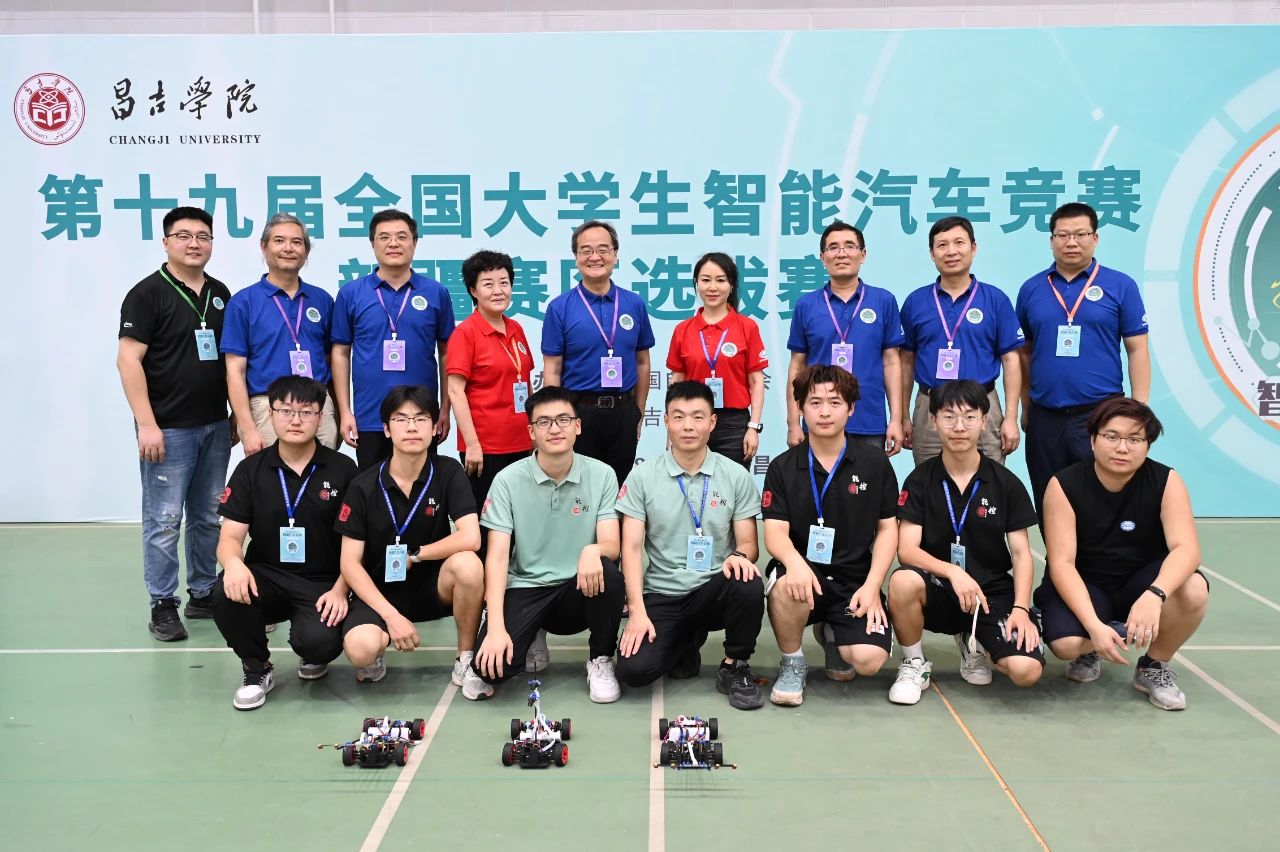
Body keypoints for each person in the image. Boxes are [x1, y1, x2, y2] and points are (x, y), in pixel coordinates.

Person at [1037, 398, 1208, 710]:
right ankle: (1095, 644)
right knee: (1065, 645)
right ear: (1093, 440)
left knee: (1194, 588)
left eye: (1134, 439)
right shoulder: (1064, 485)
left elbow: (1187, 549)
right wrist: (1093, 625)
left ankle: (1153, 665)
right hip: (1087, 583)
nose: (1122, 448)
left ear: (1147, 445)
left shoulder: (1166, 481)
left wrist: (1155, 595)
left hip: (1139, 582)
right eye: (1112, 437)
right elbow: (1062, 563)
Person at [886, 380, 1043, 706]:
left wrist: (1021, 609)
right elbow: (907, 550)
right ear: (933, 421)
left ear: (984, 421)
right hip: (938, 588)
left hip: (989, 593)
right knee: (902, 581)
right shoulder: (920, 480)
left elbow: (1021, 554)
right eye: (949, 417)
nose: (959, 427)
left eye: (969, 417)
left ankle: (976, 639)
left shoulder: (1006, 483)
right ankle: (914, 662)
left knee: (1026, 671)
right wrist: (953, 572)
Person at [117, 205, 234, 642]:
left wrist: (234, 416)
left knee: (208, 515)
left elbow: (230, 362)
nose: (194, 244)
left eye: (203, 236)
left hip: (214, 426)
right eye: (183, 236)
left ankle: (202, 593)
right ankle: (162, 604)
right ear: (166, 242)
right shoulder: (147, 294)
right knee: (164, 519)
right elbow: (128, 360)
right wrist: (146, 423)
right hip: (166, 428)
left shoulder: (220, 293)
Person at [615, 381, 766, 710]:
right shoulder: (643, 477)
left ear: (712, 422)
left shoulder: (735, 475)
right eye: (679, 416)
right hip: (663, 592)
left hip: (712, 589)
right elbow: (631, 549)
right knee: (634, 672)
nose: (688, 426)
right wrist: (636, 612)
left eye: (698, 417)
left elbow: (748, 544)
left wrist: (739, 557)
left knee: (748, 581)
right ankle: (684, 641)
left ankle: (735, 665)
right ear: (665, 421)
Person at [210, 376, 357, 710]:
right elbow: (229, 537)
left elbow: (357, 542)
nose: (295, 420)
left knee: (318, 644)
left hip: (323, 581)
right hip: (267, 576)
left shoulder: (343, 469)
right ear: (271, 414)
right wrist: (233, 564)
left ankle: (313, 651)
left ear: (320, 417)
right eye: (286, 411)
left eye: (306, 412)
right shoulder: (250, 470)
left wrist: (341, 588)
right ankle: (256, 668)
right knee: (224, 591)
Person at [334, 385, 489, 698]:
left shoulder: (448, 471)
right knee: (361, 650)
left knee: (469, 565)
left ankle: (465, 657)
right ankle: (379, 643)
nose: (412, 427)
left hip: (432, 585)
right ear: (386, 429)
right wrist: (391, 616)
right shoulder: (363, 485)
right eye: (401, 419)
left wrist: (417, 555)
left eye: (420, 419)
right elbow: (349, 563)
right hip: (379, 590)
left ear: (435, 427)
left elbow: (471, 537)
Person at [471, 387, 624, 703]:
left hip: (578, 589)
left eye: (563, 419)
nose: (555, 429)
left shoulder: (603, 475)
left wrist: (592, 550)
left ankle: (600, 659)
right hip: (527, 587)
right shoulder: (507, 480)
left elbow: (611, 543)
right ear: (531, 432)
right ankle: (532, 632)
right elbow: (497, 558)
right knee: (492, 671)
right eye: (544, 422)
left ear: (577, 426)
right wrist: (496, 627)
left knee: (609, 573)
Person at [763, 365, 899, 706]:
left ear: (850, 408)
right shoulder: (782, 466)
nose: (824, 411)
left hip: (854, 578)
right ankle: (793, 662)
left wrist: (873, 585)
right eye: (815, 402)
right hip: (804, 575)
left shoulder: (874, 463)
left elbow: (887, 529)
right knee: (785, 587)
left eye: (835, 402)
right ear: (800, 408)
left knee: (868, 661)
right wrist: (794, 563)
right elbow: (775, 533)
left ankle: (833, 633)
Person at [1016, 201, 1150, 515]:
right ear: (1051, 240)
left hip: (1099, 413)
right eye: (1063, 235)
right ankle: (1056, 550)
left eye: (1080, 234)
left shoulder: (1120, 285)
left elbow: (1137, 349)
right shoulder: (1032, 289)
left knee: (1103, 499)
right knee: (1048, 498)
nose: (1071, 242)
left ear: (1095, 238)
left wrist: (1139, 408)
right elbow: (1024, 353)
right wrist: (1026, 407)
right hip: (1045, 416)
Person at [332, 210, 455, 469]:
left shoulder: (436, 292)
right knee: (372, 487)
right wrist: (345, 411)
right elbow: (341, 353)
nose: (393, 243)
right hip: (370, 416)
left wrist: (445, 409)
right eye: (384, 237)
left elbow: (447, 352)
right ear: (372, 243)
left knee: (422, 487)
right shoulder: (351, 293)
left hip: (421, 416)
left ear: (415, 242)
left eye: (401, 236)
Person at [898, 216, 1022, 465]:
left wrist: (1010, 418)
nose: (951, 251)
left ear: (973, 248)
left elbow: (1011, 360)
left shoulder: (995, 300)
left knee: (989, 479)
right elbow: (905, 363)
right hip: (930, 406)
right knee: (929, 479)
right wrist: (903, 416)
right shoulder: (915, 302)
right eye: (942, 245)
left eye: (959, 242)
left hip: (983, 406)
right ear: (932, 254)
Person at [541, 220, 655, 486]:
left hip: (623, 411)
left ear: (615, 254)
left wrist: (637, 413)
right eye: (586, 250)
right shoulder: (560, 307)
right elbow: (552, 369)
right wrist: (557, 420)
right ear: (576, 257)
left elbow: (642, 363)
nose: (595, 257)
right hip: (579, 413)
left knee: (619, 489)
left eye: (603, 249)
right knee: (579, 490)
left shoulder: (634, 304)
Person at [222, 213, 338, 454]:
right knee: (270, 477)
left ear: (306, 251)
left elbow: (331, 361)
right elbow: (234, 370)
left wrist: (335, 413)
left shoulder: (322, 300)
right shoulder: (243, 302)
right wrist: (247, 427)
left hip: (318, 407)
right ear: (264, 247)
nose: (288, 248)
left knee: (324, 476)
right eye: (279, 241)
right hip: (267, 407)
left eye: (297, 242)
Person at [786, 221, 905, 455]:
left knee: (867, 479)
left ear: (863, 255)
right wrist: (793, 423)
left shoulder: (883, 301)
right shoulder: (806, 305)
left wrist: (896, 420)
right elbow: (797, 366)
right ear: (822, 257)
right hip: (819, 420)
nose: (841, 254)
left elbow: (892, 362)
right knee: (819, 479)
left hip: (869, 421)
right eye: (833, 247)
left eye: (849, 246)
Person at [445, 250, 535, 529]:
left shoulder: (516, 328)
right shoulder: (465, 333)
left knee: (519, 521)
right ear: (473, 291)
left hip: (522, 442)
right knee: (489, 524)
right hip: (486, 448)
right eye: (488, 284)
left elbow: (525, 383)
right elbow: (455, 391)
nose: (498, 290)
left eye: (504, 282)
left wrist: (535, 433)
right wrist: (472, 444)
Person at [666, 253, 767, 469]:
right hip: (692, 421)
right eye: (705, 280)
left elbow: (757, 381)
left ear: (731, 286)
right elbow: (676, 381)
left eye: (720, 280)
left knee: (732, 485)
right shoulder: (683, 330)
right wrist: (672, 429)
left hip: (734, 425)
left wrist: (753, 427)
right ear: (696, 283)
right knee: (688, 484)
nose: (712, 287)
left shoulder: (747, 327)